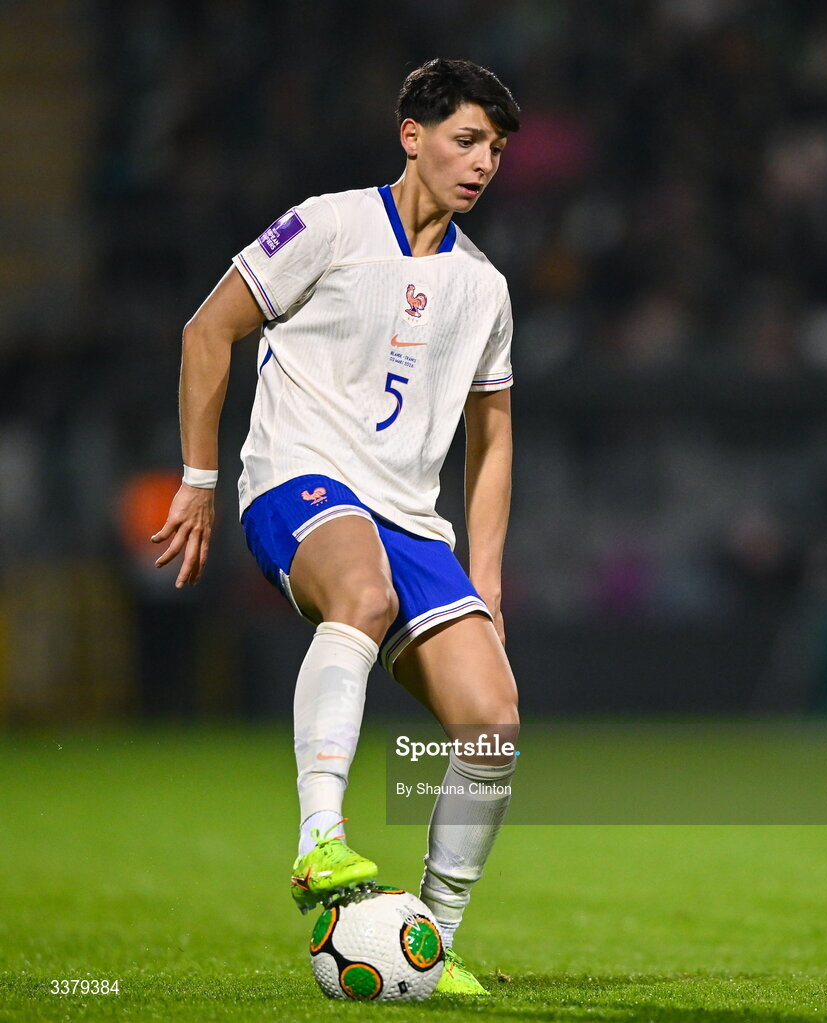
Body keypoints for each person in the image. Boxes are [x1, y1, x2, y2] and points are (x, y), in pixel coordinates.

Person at [152, 58, 520, 995]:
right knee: (360, 590)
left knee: (491, 721)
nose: (482, 164)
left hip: (410, 517)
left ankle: (428, 941)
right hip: (298, 480)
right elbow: (208, 328)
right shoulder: (329, 223)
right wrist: (197, 479)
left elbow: (493, 434)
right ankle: (321, 841)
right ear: (412, 133)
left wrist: (487, 578)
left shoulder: (484, 287)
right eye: (466, 140)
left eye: (496, 150)